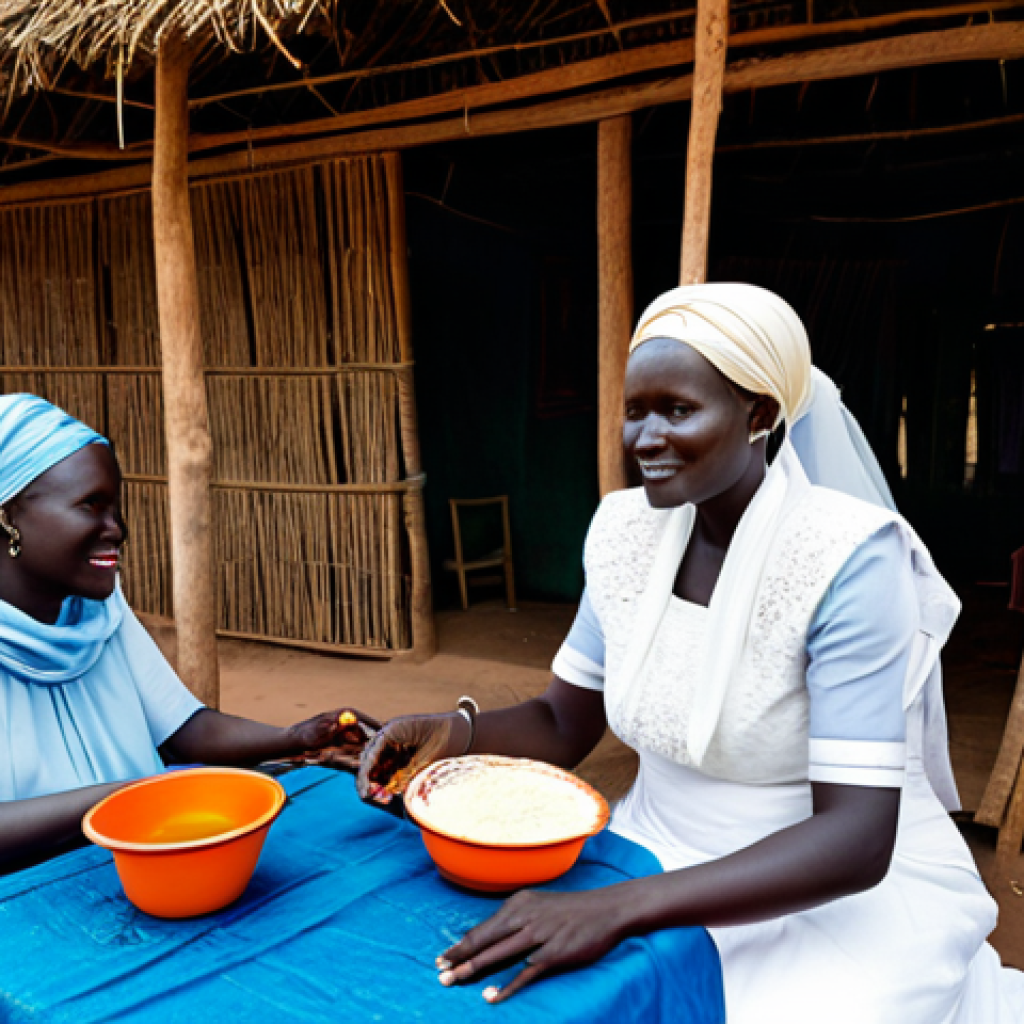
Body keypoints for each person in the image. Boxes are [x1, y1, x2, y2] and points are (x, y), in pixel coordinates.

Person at [358, 283, 1024, 1022]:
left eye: (678, 410)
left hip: (818, 888)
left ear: (759, 415)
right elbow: (560, 721)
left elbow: (856, 839)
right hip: (652, 850)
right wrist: (449, 735)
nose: (645, 438)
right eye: (635, 410)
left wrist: (621, 909)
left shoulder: (848, 563)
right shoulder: (623, 533)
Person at [0, 393, 374, 869]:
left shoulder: (101, 613)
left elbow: (183, 730)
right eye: (91, 505)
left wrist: (299, 736)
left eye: (115, 507)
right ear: (9, 516)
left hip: (143, 858)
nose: (116, 528)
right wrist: (138, 794)